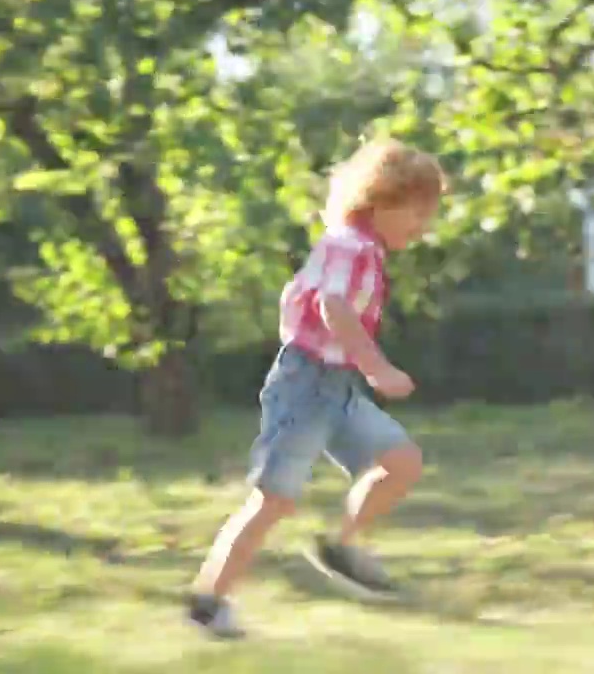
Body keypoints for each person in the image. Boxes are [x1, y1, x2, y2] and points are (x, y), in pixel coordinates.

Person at [188, 138, 448, 639]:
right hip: (305, 384)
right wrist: (376, 367)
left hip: (337, 387)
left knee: (402, 462)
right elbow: (333, 306)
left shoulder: (364, 250)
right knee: (274, 499)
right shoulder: (348, 245)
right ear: (381, 199)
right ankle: (209, 600)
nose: (423, 226)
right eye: (418, 212)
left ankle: (343, 546)